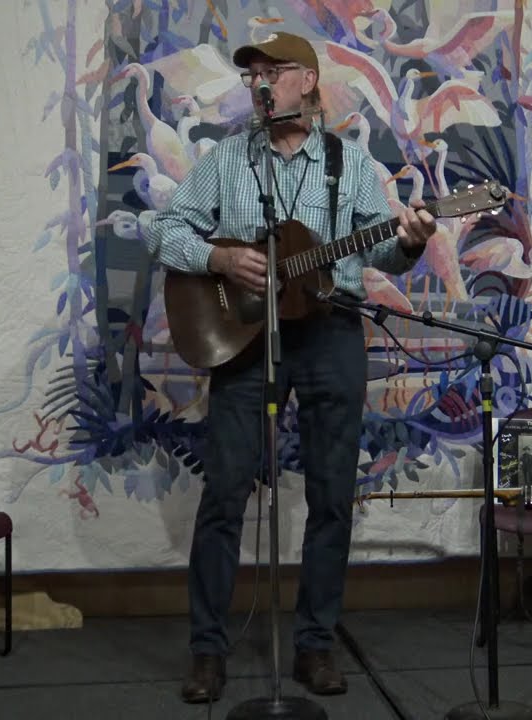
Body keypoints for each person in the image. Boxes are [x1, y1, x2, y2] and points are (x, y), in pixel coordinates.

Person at [144, 32, 437, 704]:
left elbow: (382, 255)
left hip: (332, 332)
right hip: (248, 340)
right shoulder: (226, 159)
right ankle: (208, 652)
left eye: (274, 73)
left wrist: (413, 242)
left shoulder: (350, 162)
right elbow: (165, 231)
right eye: (254, 75)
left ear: (307, 81)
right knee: (224, 493)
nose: (261, 84)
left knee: (333, 496)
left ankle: (314, 645)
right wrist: (219, 261)